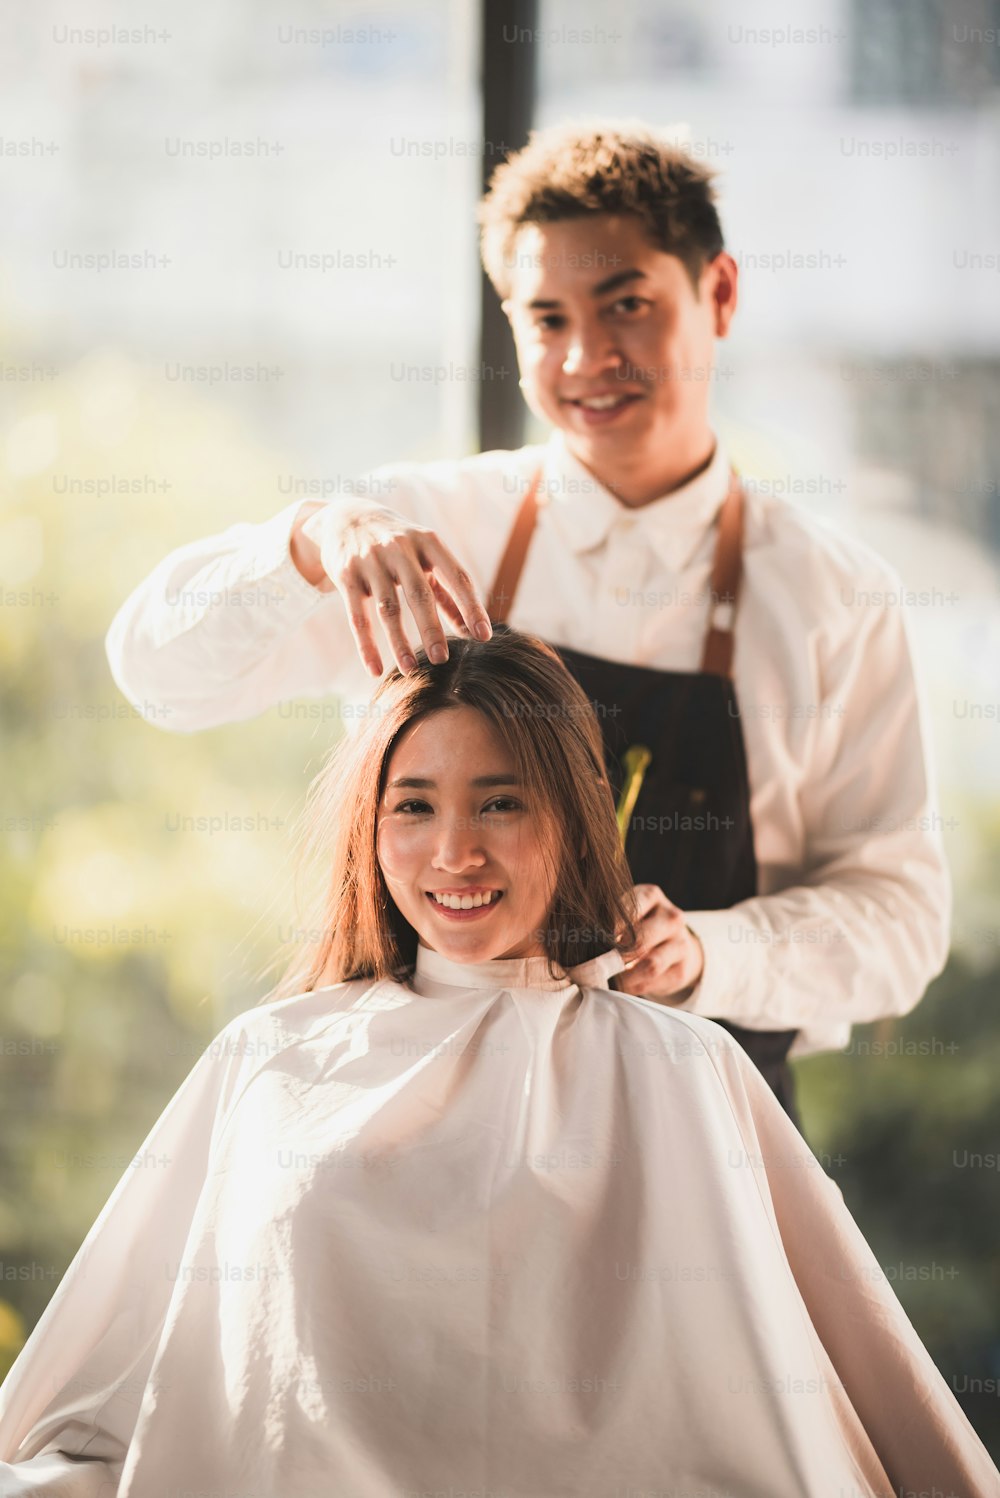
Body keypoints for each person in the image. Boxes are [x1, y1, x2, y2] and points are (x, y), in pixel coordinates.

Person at [0, 628, 993, 1497]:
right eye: (414, 807)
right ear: (367, 828)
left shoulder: (683, 1065)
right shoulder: (269, 1058)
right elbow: (107, 1381)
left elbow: (850, 1397)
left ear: (571, 814)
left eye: (500, 803)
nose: (453, 854)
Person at [104, 119, 951, 1131]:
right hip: (430, 1123)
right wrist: (306, 541)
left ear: (718, 293)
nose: (587, 356)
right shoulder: (424, 526)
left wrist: (712, 953)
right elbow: (158, 673)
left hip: (704, 1139)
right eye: (545, 319)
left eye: (626, 304)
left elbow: (900, 916)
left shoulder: (828, 595)